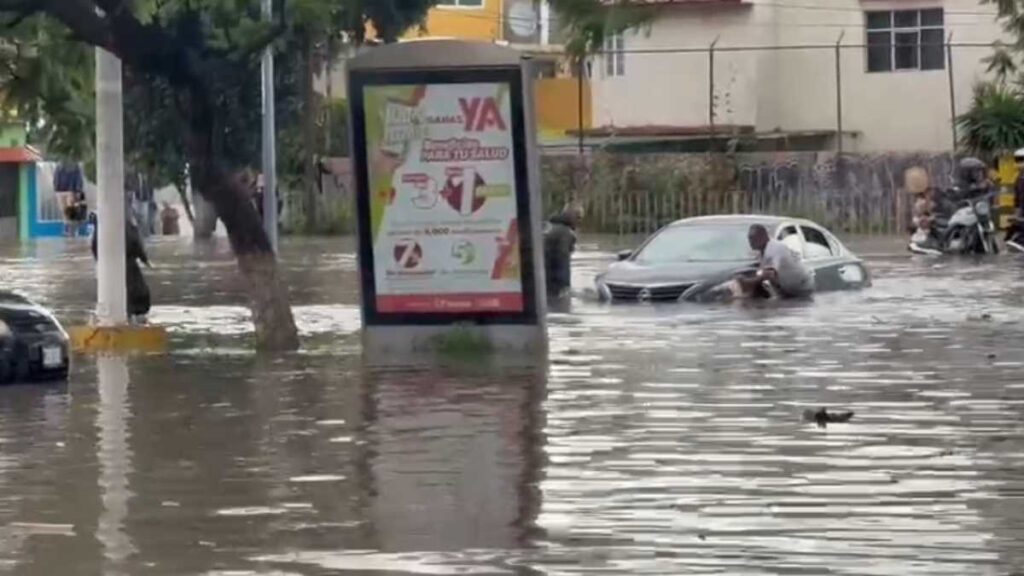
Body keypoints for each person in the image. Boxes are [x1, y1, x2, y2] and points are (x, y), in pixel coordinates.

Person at [90, 214, 152, 323]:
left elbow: (94, 246)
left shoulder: (101, 226)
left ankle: (127, 316)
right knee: (135, 293)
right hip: (129, 266)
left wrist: (100, 263)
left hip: (109, 267)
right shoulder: (126, 224)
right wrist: (145, 259)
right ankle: (135, 317)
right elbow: (136, 242)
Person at [736, 224, 814, 299]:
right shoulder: (760, 252)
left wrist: (748, 282)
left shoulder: (775, 248)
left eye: (753, 238)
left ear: (763, 236)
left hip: (801, 287)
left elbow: (770, 274)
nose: (750, 242)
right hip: (786, 288)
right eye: (749, 238)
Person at [543, 202, 584, 300]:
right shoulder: (565, 233)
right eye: (579, 218)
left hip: (540, 281)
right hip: (553, 285)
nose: (579, 222)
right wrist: (565, 287)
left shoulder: (548, 226)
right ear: (574, 216)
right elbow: (562, 258)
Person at [53, 160, 84, 237]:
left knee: (70, 210)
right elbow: (56, 177)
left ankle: (72, 230)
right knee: (64, 210)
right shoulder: (59, 165)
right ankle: (67, 229)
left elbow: (78, 178)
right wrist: (56, 188)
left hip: (71, 190)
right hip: (60, 191)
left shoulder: (75, 165)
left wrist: (78, 190)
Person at [1007, 149, 1024, 252]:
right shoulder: (1019, 178)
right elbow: (1017, 199)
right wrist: (1016, 214)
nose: (1020, 164)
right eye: (1018, 160)